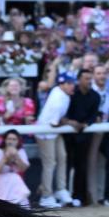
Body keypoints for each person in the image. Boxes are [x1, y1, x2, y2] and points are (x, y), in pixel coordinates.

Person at [36, 71, 75, 208]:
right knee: (50, 163)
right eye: (69, 83)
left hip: (54, 132)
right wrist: (69, 122)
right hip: (45, 132)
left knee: (62, 157)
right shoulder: (58, 99)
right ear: (62, 84)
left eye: (72, 83)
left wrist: (65, 122)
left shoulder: (62, 93)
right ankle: (46, 195)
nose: (72, 86)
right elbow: (54, 123)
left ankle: (61, 189)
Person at [63, 68, 100, 205]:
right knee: (66, 165)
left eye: (90, 79)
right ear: (79, 80)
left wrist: (84, 124)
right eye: (86, 78)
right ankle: (64, 196)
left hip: (84, 135)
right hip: (67, 135)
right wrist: (69, 122)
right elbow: (64, 113)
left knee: (81, 166)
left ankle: (79, 196)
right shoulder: (70, 94)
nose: (89, 81)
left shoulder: (95, 96)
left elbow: (93, 116)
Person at [0, 129, 30, 206]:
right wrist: (5, 157)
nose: (11, 141)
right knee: (14, 178)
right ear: (5, 140)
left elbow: (23, 168)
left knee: (14, 178)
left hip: (10, 180)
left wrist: (17, 156)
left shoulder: (20, 151)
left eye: (14, 139)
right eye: (9, 139)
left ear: (18, 141)